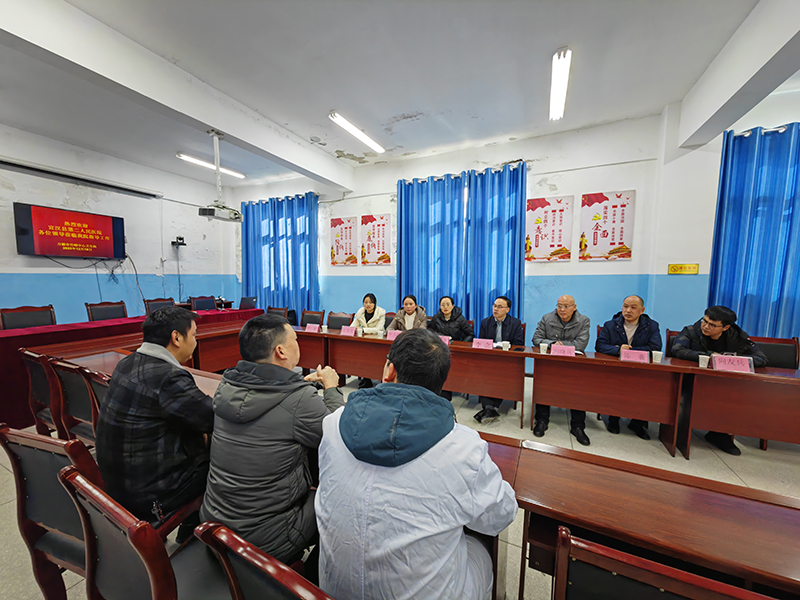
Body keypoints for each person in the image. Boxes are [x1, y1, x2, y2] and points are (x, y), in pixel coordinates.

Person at [315, 330, 517, 600]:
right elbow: (500, 517)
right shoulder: (463, 446)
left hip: (331, 589)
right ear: (441, 382)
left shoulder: (333, 423)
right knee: (480, 549)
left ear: (389, 371)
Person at [200, 314, 343, 580]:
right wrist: (332, 387)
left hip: (214, 523)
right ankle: (314, 579)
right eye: (295, 340)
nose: (298, 344)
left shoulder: (227, 385)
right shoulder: (298, 399)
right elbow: (337, 434)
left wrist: (300, 386)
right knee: (339, 492)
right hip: (268, 538)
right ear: (280, 351)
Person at [96, 307, 213, 528]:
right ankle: (201, 528)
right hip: (151, 497)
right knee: (224, 458)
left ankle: (191, 526)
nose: (195, 342)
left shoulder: (127, 363)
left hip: (117, 485)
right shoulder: (168, 377)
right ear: (176, 338)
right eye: (194, 335)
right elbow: (213, 418)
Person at [671, 305, 767, 456]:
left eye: (712, 325)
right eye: (705, 321)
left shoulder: (738, 337)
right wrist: (709, 357)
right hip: (693, 380)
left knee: (734, 396)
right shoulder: (691, 331)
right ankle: (680, 430)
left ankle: (719, 434)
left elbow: (761, 358)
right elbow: (677, 350)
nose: (705, 326)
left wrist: (732, 360)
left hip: (724, 384)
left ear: (726, 327)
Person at [595, 295, 663, 441]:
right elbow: (600, 345)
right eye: (625, 306)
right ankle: (613, 419)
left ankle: (637, 423)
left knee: (646, 386)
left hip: (641, 369)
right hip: (616, 369)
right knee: (616, 383)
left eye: (633, 307)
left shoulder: (651, 326)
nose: (628, 310)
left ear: (642, 310)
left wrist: (630, 351)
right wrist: (618, 350)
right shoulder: (611, 325)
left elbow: (655, 347)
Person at [531, 295, 591, 445]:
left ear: (574, 307)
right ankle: (541, 420)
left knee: (578, 389)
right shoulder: (547, 318)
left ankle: (577, 426)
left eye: (566, 306)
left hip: (573, 364)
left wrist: (561, 346)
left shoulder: (584, 321)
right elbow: (536, 339)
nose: (562, 309)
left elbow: (581, 344)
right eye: (559, 306)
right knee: (543, 384)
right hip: (550, 363)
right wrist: (553, 343)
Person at [474, 296, 525, 424]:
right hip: (489, 359)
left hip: (506, 359)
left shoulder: (515, 323)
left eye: (500, 307)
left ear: (507, 309)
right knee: (484, 373)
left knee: (501, 375)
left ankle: (489, 408)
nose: (495, 309)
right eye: (495, 306)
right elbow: (481, 342)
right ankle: (490, 408)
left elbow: (518, 343)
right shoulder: (485, 322)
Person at [351, 293, 387, 389]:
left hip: (378, 340)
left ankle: (377, 378)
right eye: (366, 302)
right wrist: (354, 329)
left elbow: (379, 329)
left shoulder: (381, 312)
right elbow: (353, 326)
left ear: (375, 303)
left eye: (371, 302)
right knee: (361, 355)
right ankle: (366, 379)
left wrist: (363, 330)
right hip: (365, 340)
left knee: (375, 359)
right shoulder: (360, 312)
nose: (368, 305)